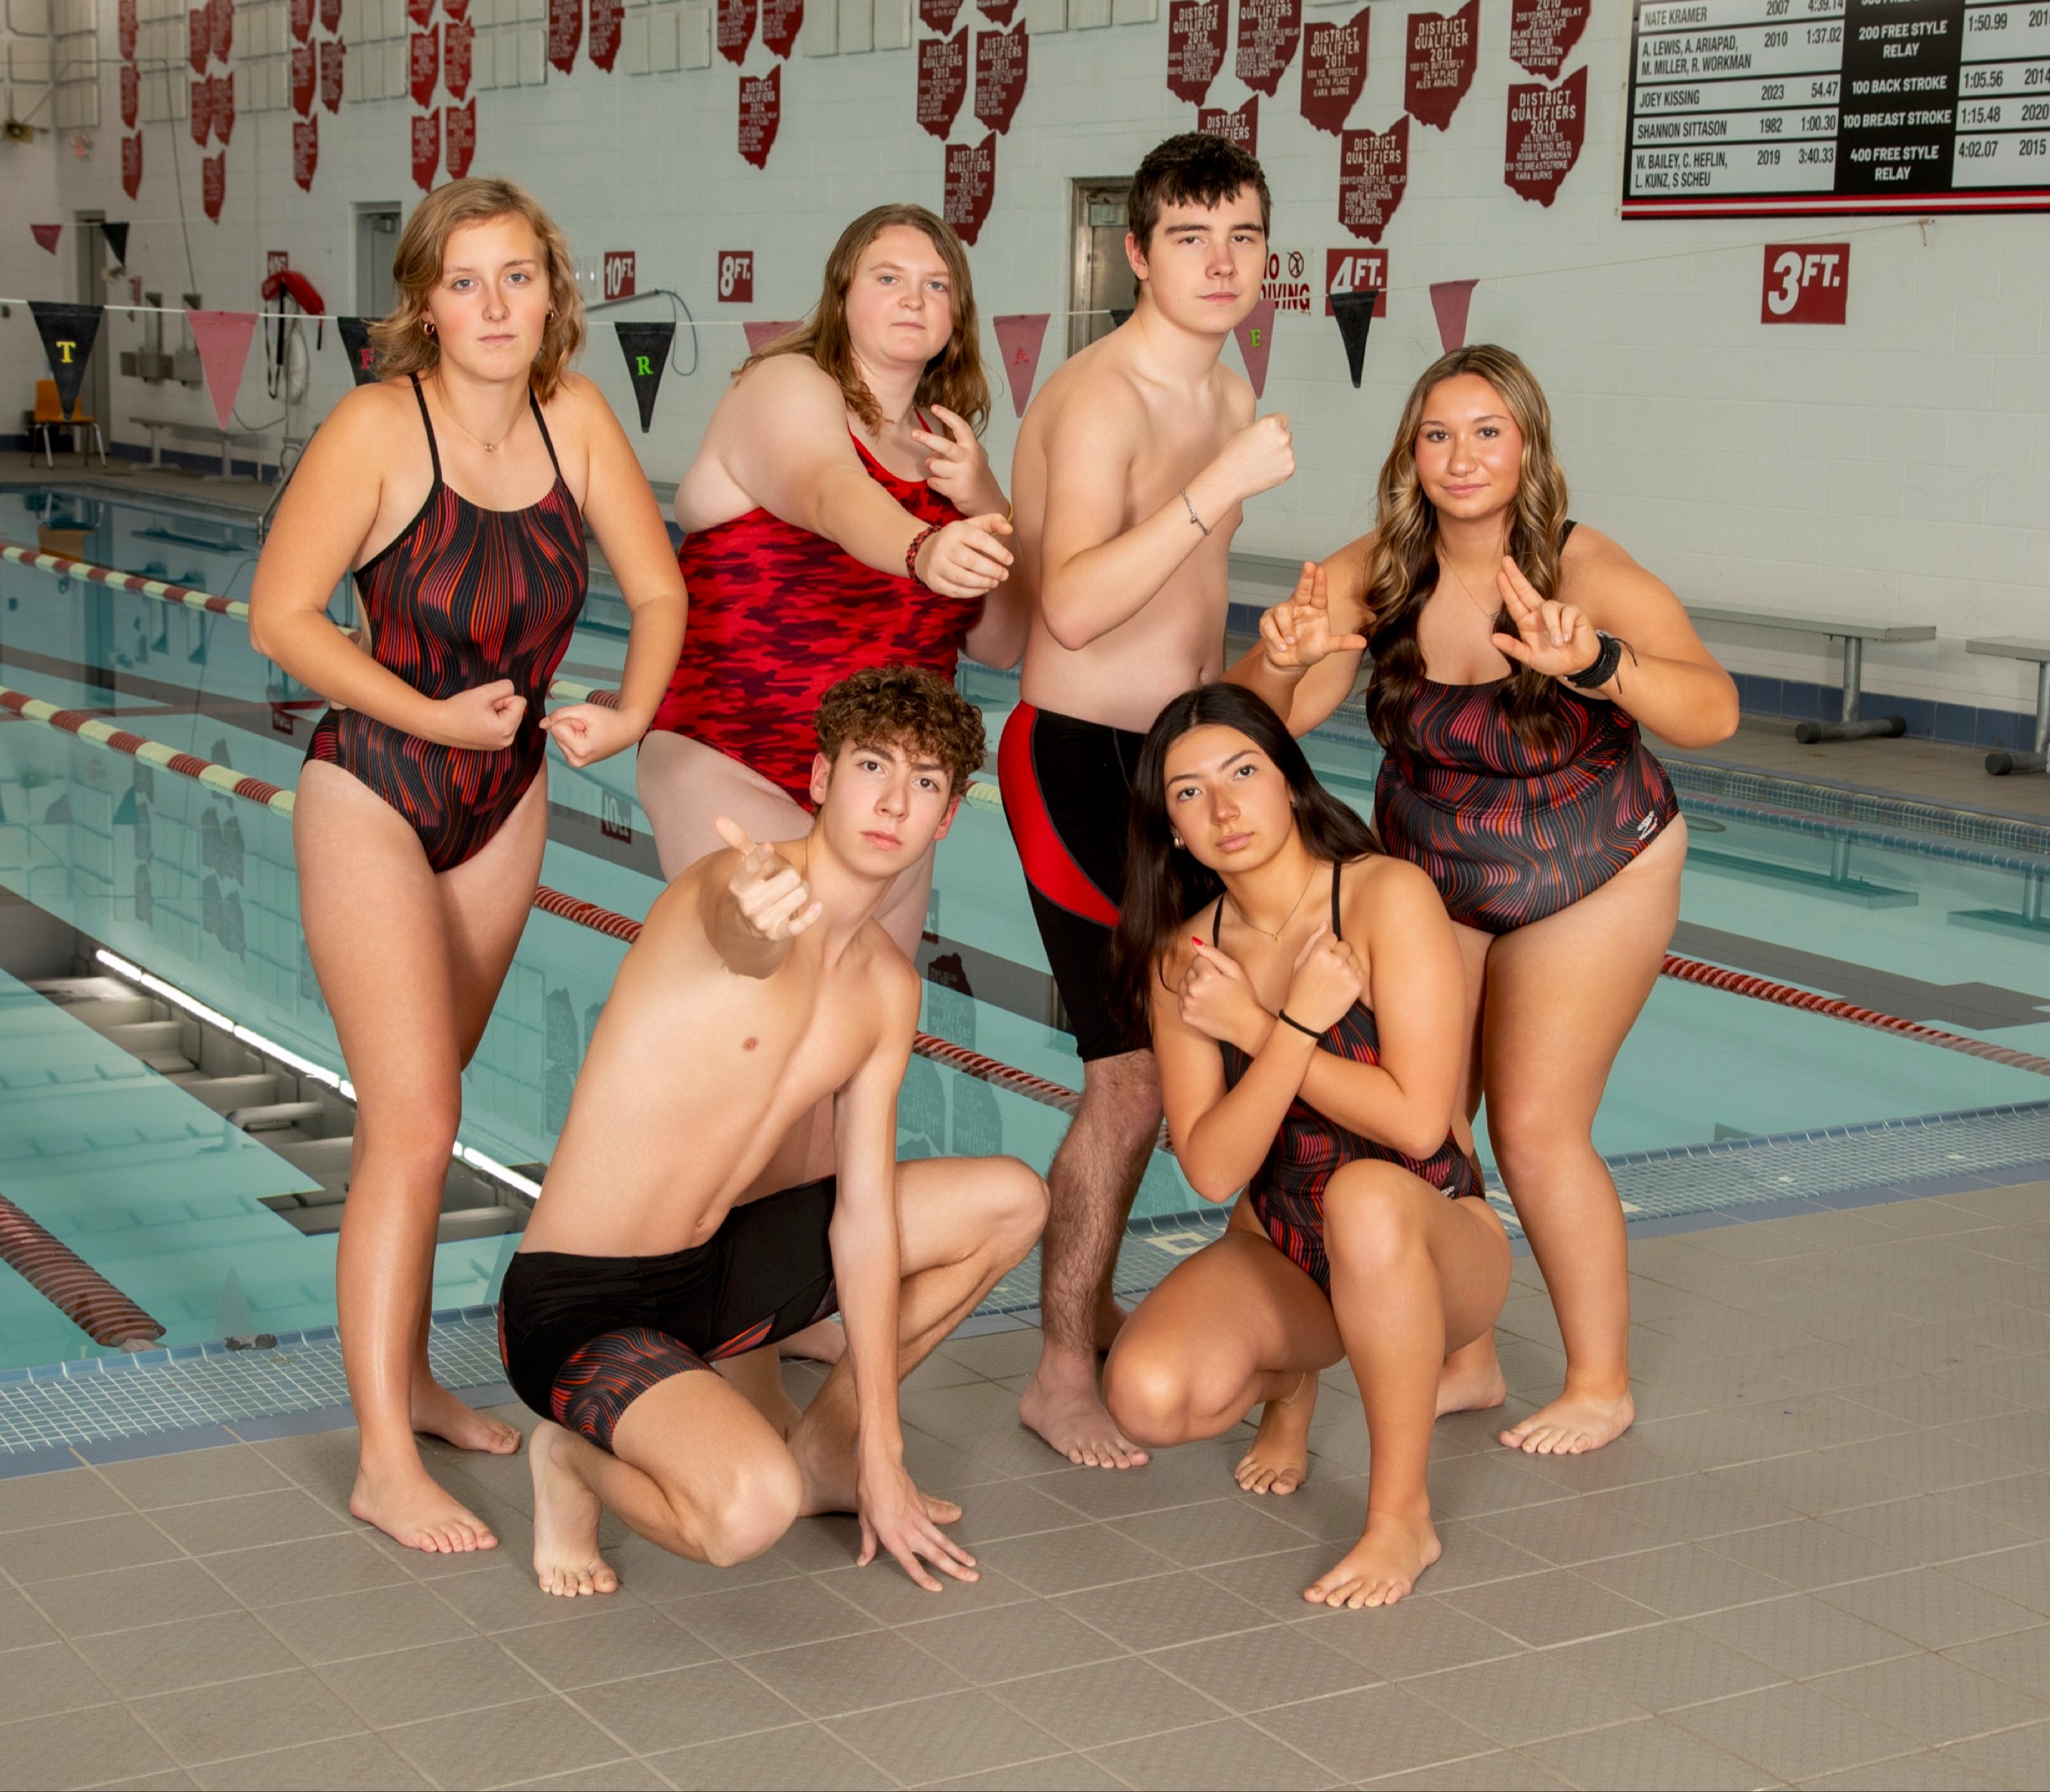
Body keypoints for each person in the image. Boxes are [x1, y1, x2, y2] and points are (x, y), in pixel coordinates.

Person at [250, 177, 686, 1553]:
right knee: (418, 1120)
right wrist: (430, 713)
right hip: (375, 786)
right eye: (466, 281)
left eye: (520, 278)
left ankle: (414, 1380)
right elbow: (279, 614)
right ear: (422, 302)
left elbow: (662, 589)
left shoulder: (577, 420)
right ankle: (383, 1452)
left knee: (417, 1124)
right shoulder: (382, 426)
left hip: (503, 805)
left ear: (554, 293)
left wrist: (630, 707)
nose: (496, 306)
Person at [1237, 344, 1737, 1456]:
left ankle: (1600, 1380)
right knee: (1424, 1116)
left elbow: (1713, 710)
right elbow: (1254, 716)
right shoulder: (1383, 566)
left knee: (1534, 1125)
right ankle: (1463, 1358)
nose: (1460, 457)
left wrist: (1601, 663)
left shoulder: (1582, 565)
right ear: (1410, 454)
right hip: (1434, 869)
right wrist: (1283, 659)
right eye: (1437, 434)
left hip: (1592, 863)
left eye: (1485, 432)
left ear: (1528, 446)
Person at [499, 667, 1047, 1595]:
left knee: (1011, 1201)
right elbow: (741, 936)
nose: (892, 800)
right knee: (748, 1510)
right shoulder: (731, 886)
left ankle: (832, 1449)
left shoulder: (885, 986)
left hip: (714, 1278)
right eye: (872, 766)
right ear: (822, 779)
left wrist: (885, 1448)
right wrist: (757, 922)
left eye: (923, 784)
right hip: (581, 1303)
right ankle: (567, 1462)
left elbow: (864, 1218)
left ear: (947, 819)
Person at [1001, 132, 1296, 1469]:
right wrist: (1213, 494)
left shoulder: (1229, 395)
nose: (1220, 263)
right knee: (1126, 1080)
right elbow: (1063, 606)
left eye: (1241, 237)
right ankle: (1060, 1367)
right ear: (1135, 252)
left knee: (1233, 1044)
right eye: (1191, 238)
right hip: (1077, 761)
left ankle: (1149, 1309)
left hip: (1179, 754)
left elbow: (1187, 615)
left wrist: (1265, 680)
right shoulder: (1100, 399)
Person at [1100, 684, 1510, 1607]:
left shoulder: (1382, 897)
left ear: (1288, 780)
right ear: (1168, 829)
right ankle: (1294, 1388)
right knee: (1147, 1395)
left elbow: (1413, 1122)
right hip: (1282, 1244)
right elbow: (1210, 1169)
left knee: (1362, 1197)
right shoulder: (1185, 960)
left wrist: (1251, 1022)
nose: (1223, 807)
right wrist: (1280, 1027)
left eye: (1242, 772)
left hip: (1434, 1235)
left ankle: (1400, 1514)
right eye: (1189, 792)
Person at [640, 202, 1026, 962]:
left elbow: (1004, 642)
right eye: (890, 277)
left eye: (937, 285)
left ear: (959, 314)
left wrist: (985, 499)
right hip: (732, 754)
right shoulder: (785, 385)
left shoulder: (950, 457)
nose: (915, 299)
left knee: (850, 1036)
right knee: (757, 1010)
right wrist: (923, 547)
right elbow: (826, 489)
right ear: (843, 290)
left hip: (887, 789)